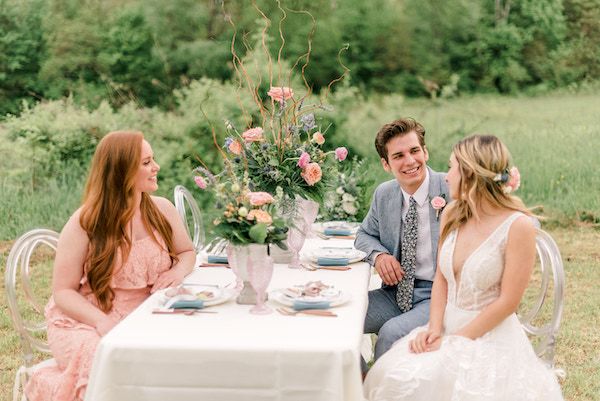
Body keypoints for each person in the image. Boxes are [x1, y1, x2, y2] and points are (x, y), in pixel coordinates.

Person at [364, 135, 564, 400]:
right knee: (392, 374)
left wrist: (455, 341)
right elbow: (442, 279)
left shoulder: (519, 226)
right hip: (445, 322)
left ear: (469, 173)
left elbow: (508, 302)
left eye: (451, 168)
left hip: (488, 335)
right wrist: (434, 329)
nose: (445, 177)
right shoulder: (451, 213)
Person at [25, 131, 196, 401]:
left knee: (184, 353)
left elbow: (187, 252)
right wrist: (101, 321)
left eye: (153, 160)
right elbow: (63, 292)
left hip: (146, 315)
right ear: (122, 172)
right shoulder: (86, 221)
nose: (156, 168)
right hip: (87, 321)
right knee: (107, 355)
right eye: (146, 162)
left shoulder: (162, 210)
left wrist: (177, 271)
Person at [355, 118, 450, 362]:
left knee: (390, 333)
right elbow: (364, 235)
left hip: (438, 296)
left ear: (425, 152)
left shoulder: (450, 188)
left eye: (415, 151)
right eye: (398, 156)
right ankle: (356, 380)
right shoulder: (384, 194)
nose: (409, 161)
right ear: (386, 164)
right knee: (342, 318)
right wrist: (379, 256)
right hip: (395, 294)